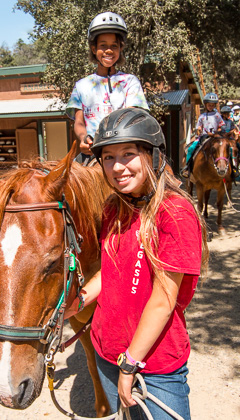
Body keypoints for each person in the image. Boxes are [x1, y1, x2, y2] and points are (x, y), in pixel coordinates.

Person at [65, 108, 209, 420]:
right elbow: (111, 271)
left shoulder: (175, 213)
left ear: (154, 156)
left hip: (154, 364)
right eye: (108, 157)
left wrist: (131, 363)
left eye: (128, 154)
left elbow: (163, 301)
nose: (117, 167)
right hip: (106, 351)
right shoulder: (114, 208)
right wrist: (74, 304)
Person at [66, 12, 149, 164]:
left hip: (125, 149)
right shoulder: (81, 86)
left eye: (114, 46)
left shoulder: (130, 82)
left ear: (120, 49)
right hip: (94, 149)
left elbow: (132, 117)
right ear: (93, 49)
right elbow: (78, 122)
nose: (109, 50)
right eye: (103, 45)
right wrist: (83, 138)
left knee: (157, 170)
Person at [181, 92, 224, 178]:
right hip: (204, 136)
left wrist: (216, 132)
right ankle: (187, 168)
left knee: (226, 148)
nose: (211, 106)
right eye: (209, 105)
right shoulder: (202, 116)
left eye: (212, 105)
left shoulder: (217, 115)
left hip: (215, 137)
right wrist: (199, 129)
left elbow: (221, 126)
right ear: (205, 105)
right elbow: (199, 126)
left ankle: (231, 169)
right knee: (191, 149)